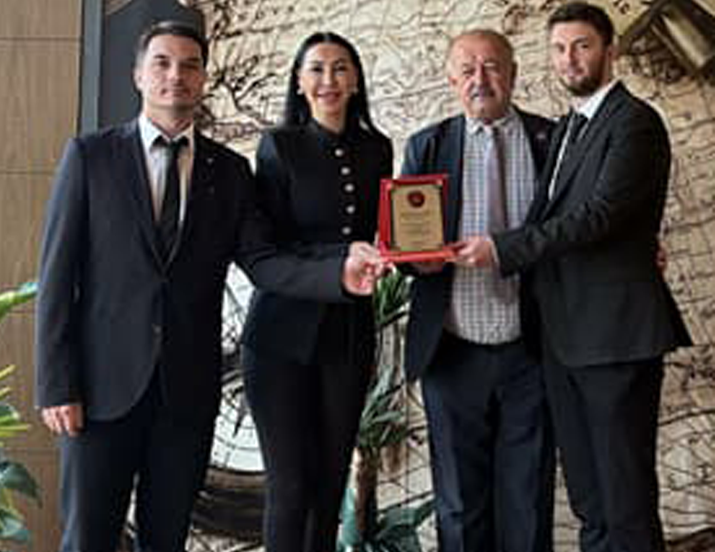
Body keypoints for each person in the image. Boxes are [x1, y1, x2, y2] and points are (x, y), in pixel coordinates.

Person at [35, 21, 383, 552]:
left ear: (203, 80)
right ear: (138, 75)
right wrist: (58, 384)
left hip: (187, 395)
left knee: (167, 539)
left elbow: (263, 262)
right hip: (101, 391)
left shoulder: (230, 171)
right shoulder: (91, 157)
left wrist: (337, 273)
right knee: (88, 539)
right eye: (162, 63)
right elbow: (58, 277)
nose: (176, 75)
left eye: (190, 65)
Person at [455, 4, 692, 552]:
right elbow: (548, 215)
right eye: (559, 49)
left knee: (625, 502)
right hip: (565, 339)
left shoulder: (634, 122)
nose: (569, 59)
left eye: (582, 46)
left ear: (610, 50)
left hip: (615, 339)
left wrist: (501, 249)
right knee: (590, 500)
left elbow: (599, 216)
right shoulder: (567, 128)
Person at [399, 29, 554, 552]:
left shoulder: (552, 140)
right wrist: (413, 261)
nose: (480, 79)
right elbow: (407, 249)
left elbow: (575, 231)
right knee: (459, 506)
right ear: (451, 81)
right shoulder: (427, 145)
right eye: (467, 69)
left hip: (533, 350)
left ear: (513, 74)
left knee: (528, 499)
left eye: (491, 67)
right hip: (452, 351)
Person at [240, 32, 393, 552]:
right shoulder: (279, 146)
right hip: (280, 337)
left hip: (348, 335)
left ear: (356, 81)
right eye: (317, 69)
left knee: (330, 488)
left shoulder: (378, 149)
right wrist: (342, 258)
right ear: (300, 83)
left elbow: (383, 232)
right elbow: (271, 250)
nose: (329, 80)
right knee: (290, 489)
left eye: (341, 68)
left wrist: (403, 252)